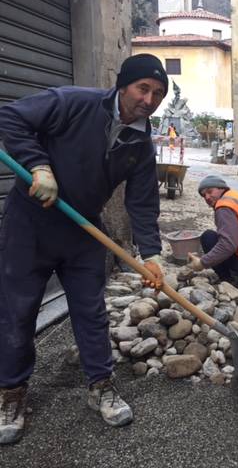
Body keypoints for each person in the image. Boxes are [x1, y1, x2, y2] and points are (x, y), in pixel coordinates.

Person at [0, 53, 169, 444]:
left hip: (84, 230)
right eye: (143, 88)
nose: (149, 99)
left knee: (91, 312)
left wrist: (153, 255)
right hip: (31, 227)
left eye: (158, 93)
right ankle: (11, 392)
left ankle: (100, 385)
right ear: (123, 85)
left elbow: (143, 202)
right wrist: (39, 166)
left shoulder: (141, 143)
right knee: (17, 313)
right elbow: (12, 116)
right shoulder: (73, 102)